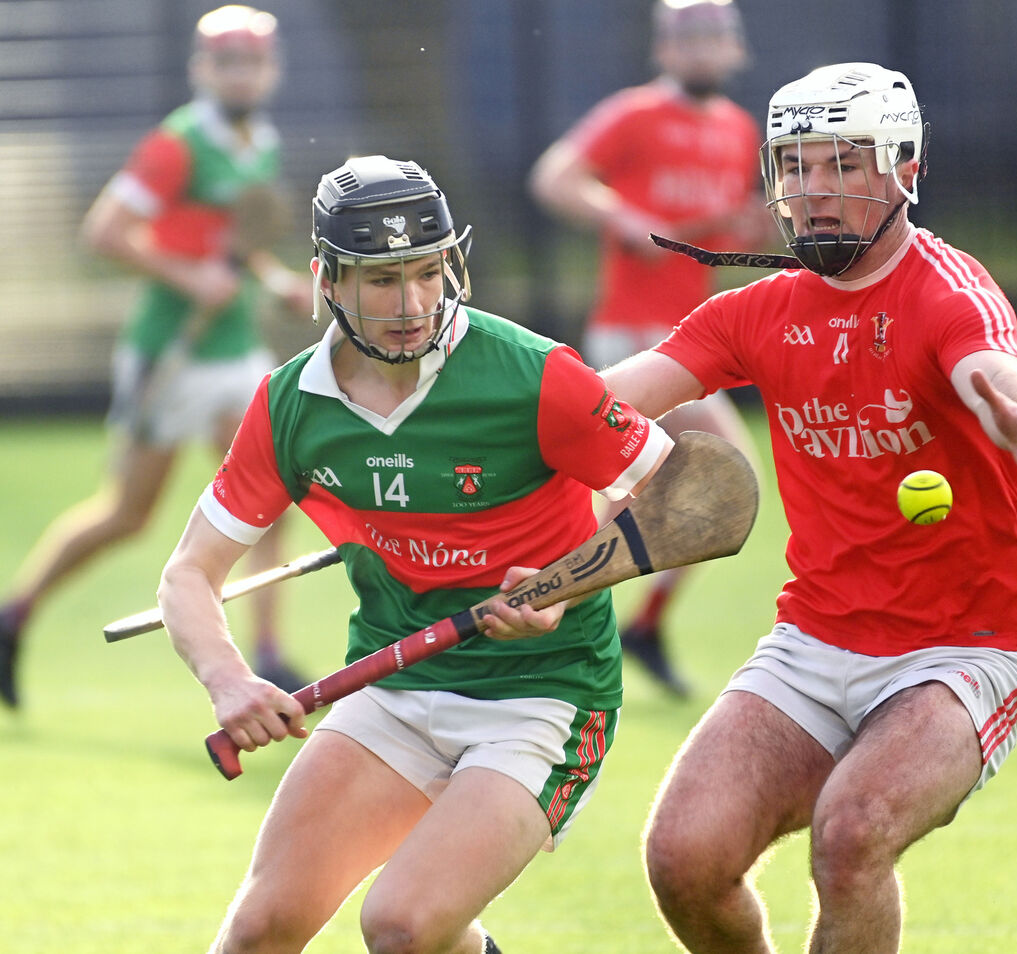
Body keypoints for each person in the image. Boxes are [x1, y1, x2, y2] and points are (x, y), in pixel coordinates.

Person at [157, 154, 673, 954]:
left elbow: (692, 493)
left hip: (543, 697)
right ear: (328, 279)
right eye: (384, 280)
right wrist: (228, 680)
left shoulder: (533, 375)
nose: (414, 304)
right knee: (256, 934)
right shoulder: (291, 405)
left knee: (399, 924)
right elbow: (189, 572)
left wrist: (573, 582)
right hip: (395, 686)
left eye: (429, 273)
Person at [600, 63, 1017, 953]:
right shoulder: (758, 310)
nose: (813, 192)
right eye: (795, 167)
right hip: (815, 644)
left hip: (963, 652)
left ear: (906, 170)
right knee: (684, 858)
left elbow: (986, 362)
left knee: (852, 838)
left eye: (844, 165)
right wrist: (492, 427)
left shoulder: (946, 289)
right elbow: (606, 399)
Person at [0, 5, 313, 706]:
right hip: (171, 351)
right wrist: (189, 276)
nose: (242, 74)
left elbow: (235, 241)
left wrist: (274, 280)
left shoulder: (258, 140)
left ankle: (266, 653)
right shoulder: (177, 144)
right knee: (128, 515)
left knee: (271, 492)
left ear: (273, 68)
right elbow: (105, 232)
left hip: (233, 347)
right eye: (227, 62)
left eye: (253, 61)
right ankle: (15, 615)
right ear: (202, 69)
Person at [528, 0, 770, 697]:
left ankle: (592, 616)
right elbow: (554, 176)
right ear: (665, 49)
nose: (702, 51)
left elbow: (709, 244)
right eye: (688, 37)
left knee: (684, 485)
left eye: (715, 37)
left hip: (691, 340)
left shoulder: (735, 128)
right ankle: (563, 612)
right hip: (633, 337)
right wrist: (621, 215)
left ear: (734, 50)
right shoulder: (635, 114)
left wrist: (745, 232)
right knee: (707, 480)